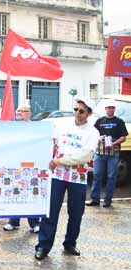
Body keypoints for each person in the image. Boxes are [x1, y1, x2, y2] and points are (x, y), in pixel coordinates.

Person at [34, 97, 100, 260]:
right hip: (57, 176)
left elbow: (84, 156)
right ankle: (43, 246)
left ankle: (70, 243)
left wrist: (59, 161)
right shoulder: (63, 126)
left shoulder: (93, 132)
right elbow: (48, 140)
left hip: (77, 178)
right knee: (50, 211)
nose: (77, 113)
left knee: (76, 213)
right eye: (76, 110)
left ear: (89, 114)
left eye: (82, 111)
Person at [3, 104, 40, 233]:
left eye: (23, 111)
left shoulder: (36, 128)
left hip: (31, 166)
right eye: (18, 110)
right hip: (14, 166)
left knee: (31, 193)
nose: (20, 113)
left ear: (30, 113)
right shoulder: (10, 127)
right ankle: (13, 222)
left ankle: (35, 223)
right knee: (15, 193)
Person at [86, 99, 128, 208]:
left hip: (113, 153)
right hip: (100, 153)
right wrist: (99, 138)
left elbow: (123, 137)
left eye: (112, 108)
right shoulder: (100, 121)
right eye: (109, 107)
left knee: (111, 177)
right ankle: (95, 199)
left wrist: (115, 142)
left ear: (114, 109)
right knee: (96, 175)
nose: (110, 109)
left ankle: (107, 201)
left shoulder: (119, 121)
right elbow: (93, 134)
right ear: (105, 109)